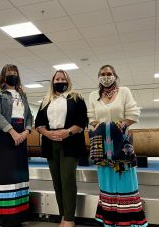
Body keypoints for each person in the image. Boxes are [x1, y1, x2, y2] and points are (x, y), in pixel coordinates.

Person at [88, 65, 148, 227]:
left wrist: (117, 126)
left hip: (122, 145)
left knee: (125, 180)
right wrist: (103, 127)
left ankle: (128, 221)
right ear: (98, 77)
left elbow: (133, 114)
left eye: (109, 74)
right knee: (106, 180)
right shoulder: (93, 95)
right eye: (102, 74)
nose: (106, 76)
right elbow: (91, 117)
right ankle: (109, 220)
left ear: (115, 76)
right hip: (102, 146)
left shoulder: (124, 92)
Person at [35, 70, 88, 227]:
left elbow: (82, 121)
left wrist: (68, 132)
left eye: (62, 79)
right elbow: (38, 123)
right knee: (57, 181)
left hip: (70, 143)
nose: (59, 81)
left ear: (68, 81)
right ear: (52, 82)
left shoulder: (76, 98)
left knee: (67, 180)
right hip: (51, 144)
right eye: (57, 79)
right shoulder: (46, 100)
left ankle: (70, 219)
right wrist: (47, 134)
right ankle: (63, 216)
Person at [0, 64, 33, 227]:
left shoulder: (22, 94)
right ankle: (2, 217)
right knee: (4, 176)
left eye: (15, 73)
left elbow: (29, 116)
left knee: (17, 175)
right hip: (4, 137)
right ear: (3, 76)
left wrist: (26, 132)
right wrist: (12, 132)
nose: (12, 75)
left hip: (21, 136)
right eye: (9, 73)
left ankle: (18, 215)